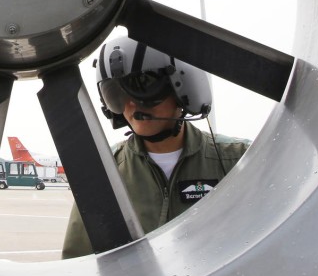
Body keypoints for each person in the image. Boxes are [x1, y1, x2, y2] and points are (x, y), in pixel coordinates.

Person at [61, 36, 250, 258]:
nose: (131, 104)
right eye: (116, 94)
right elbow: (79, 261)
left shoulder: (238, 160)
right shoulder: (103, 173)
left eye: (144, 86)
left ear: (181, 88)